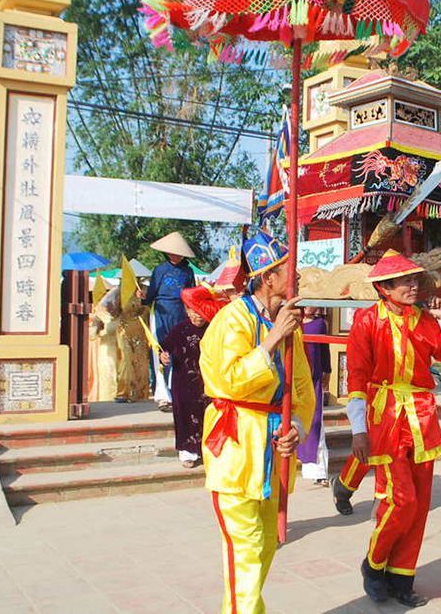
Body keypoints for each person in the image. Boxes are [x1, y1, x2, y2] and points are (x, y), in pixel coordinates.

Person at [199, 230, 314, 614]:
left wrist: (295, 424)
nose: (293, 279)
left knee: (265, 545)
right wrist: (270, 341)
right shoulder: (232, 319)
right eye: (287, 272)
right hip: (236, 449)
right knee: (244, 551)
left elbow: (302, 387)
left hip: (272, 450)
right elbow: (228, 380)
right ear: (268, 278)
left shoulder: (286, 323)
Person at [349, 249, 441, 608]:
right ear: (385, 287)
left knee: (419, 506)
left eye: (415, 279)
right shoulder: (367, 320)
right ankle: (374, 563)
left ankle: (401, 579)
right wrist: (358, 429)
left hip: (422, 418)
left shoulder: (426, 321)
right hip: (385, 419)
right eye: (405, 281)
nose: (413, 286)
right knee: (401, 501)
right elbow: (356, 374)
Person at [160, 286, 225, 468]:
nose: (197, 316)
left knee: (208, 416)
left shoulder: (214, 328)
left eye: (200, 312)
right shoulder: (179, 329)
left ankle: (207, 451)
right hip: (183, 384)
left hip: (208, 382)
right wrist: (163, 356)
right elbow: (164, 347)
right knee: (185, 417)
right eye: (193, 312)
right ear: (187, 310)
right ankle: (187, 452)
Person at [143, 231, 197, 410]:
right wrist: (142, 298)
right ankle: (162, 395)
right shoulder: (159, 270)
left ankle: (178, 392)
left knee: (179, 352)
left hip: (180, 314)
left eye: (178, 252)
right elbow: (150, 295)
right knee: (161, 352)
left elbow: (191, 295)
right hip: (161, 313)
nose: (175, 255)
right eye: (172, 252)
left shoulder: (188, 271)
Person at [299, 307, 332, 486]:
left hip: (314, 380)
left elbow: (324, 351)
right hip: (295, 379)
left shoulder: (320, 324)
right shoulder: (292, 322)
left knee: (315, 424)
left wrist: (327, 371)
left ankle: (319, 471)